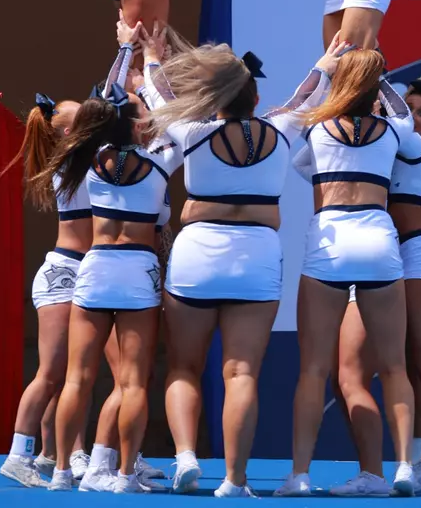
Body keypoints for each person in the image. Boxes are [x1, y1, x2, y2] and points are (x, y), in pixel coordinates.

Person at [148, 36, 349, 498]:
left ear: (214, 99)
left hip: (197, 255)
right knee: (240, 373)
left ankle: (186, 458)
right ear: (256, 99)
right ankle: (235, 480)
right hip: (256, 258)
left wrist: (151, 55)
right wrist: (323, 63)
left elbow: (159, 94)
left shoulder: (191, 131)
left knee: (183, 367)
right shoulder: (279, 131)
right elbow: (305, 97)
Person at [275, 50, 421, 497]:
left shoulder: (317, 128)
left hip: (330, 244)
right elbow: (403, 114)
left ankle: (300, 475)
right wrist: (380, 75)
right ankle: (404, 468)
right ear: (374, 87)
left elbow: (292, 109)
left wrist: (323, 69)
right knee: (394, 366)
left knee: (313, 369)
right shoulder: (393, 130)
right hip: (379, 242)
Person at [40, 85, 182, 493]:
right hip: (137, 270)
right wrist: (151, 85)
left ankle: (62, 472)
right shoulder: (159, 161)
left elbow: (93, 116)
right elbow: (177, 127)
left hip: (96, 267)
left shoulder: (85, 159)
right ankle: (124, 476)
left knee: (76, 379)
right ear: (137, 125)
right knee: (134, 382)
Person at [331, 77, 421, 496]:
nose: (414, 117)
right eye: (411, 108)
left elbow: (395, 120)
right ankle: (378, 470)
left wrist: (372, 72)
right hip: (380, 258)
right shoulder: (377, 142)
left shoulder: (415, 145)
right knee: (351, 371)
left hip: (417, 256)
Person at [0, 94, 93, 488]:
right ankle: (18, 455)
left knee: (75, 374)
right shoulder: (72, 161)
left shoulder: (85, 158)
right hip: (63, 274)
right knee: (51, 373)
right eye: (83, 115)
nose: (92, 114)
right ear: (70, 132)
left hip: (86, 271)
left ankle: (58, 453)